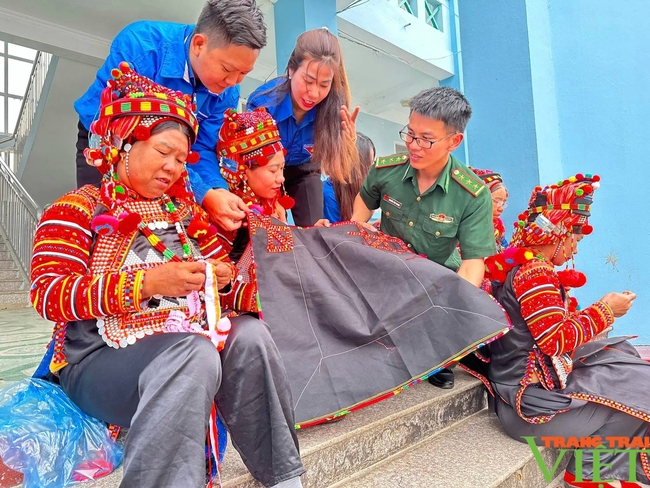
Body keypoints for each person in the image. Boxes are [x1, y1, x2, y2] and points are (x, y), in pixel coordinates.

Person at [33, 65, 304, 488]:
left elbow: (225, 275)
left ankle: (285, 478)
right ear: (123, 144)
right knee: (192, 353)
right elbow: (50, 294)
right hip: (100, 363)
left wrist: (225, 277)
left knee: (249, 336)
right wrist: (148, 284)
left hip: (184, 348)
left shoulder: (183, 214)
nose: (173, 169)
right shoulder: (77, 209)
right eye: (162, 152)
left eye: (182, 159)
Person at [211, 107, 511, 426]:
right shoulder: (221, 220)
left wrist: (318, 234)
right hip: (252, 312)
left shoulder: (273, 208)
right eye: (272, 170)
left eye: (282, 168)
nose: (281, 178)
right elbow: (226, 285)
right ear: (241, 170)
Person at [479, 174, 650, 488]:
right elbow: (555, 340)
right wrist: (605, 310)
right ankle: (588, 473)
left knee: (624, 361)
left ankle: (599, 469)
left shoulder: (526, 266)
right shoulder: (536, 273)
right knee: (638, 390)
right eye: (576, 240)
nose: (574, 250)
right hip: (527, 405)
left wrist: (596, 319)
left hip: (528, 387)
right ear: (557, 233)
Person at [75, 0, 266, 232]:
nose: (234, 82)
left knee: (169, 238)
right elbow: (114, 132)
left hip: (177, 165)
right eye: (227, 69)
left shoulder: (227, 91)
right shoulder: (141, 48)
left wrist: (216, 190)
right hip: (108, 148)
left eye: (244, 73)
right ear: (198, 44)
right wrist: (202, 192)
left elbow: (202, 148)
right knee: (104, 228)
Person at [350, 86, 496, 390]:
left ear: (454, 141)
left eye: (426, 139)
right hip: (387, 275)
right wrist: (356, 230)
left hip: (435, 284)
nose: (413, 145)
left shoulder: (472, 194)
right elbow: (363, 204)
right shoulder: (386, 169)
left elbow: (472, 265)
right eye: (410, 133)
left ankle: (436, 355)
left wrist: (455, 310)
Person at [244, 27, 360, 226]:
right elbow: (249, 166)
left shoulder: (332, 110)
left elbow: (337, 170)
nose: (314, 93)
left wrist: (347, 143)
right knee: (264, 227)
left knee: (314, 229)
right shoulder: (263, 104)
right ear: (291, 71)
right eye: (308, 81)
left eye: (324, 85)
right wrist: (274, 200)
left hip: (303, 170)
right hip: (264, 168)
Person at [323, 132, 375, 223]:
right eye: (368, 165)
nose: (371, 171)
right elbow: (341, 233)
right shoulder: (328, 194)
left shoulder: (360, 194)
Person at [470, 168, 509, 252]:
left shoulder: (497, 227)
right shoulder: (465, 227)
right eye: (496, 201)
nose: (501, 208)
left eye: (503, 203)